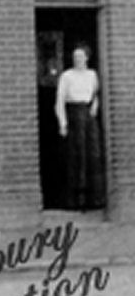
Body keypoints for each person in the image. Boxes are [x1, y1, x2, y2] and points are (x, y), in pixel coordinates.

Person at [55, 44, 105, 211]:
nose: (78, 60)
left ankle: (94, 199)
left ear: (87, 58)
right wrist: (63, 123)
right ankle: (75, 200)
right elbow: (60, 101)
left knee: (93, 154)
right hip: (74, 115)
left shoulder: (92, 75)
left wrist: (94, 107)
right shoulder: (66, 76)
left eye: (81, 57)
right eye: (75, 57)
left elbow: (96, 94)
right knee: (76, 155)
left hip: (88, 116)